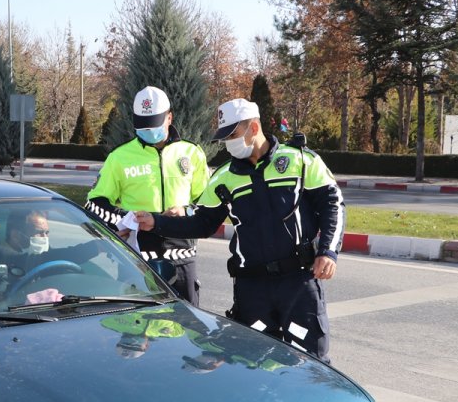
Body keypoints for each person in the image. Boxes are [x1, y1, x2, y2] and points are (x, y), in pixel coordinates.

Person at [135, 98, 345, 364]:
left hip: (299, 283)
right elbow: (203, 223)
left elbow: (333, 204)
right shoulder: (223, 177)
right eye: (225, 138)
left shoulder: (300, 161)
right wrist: (158, 223)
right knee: (252, 362)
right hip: (251, 287)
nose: (229, 144)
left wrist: (328, 251)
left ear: (254, 128)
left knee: (311, 363)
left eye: (233, 135)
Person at [86, 86, 209, 305]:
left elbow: (209, 204)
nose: (148, 130)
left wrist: (186, 210)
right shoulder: (119, 157)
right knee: (137, 332)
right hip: (136, 259)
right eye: (142, 125)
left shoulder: (192, 153)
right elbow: (94, 204)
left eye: (153, 124)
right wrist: (127, 219)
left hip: (182, 257)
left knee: (189, 330)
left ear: (169, 118)